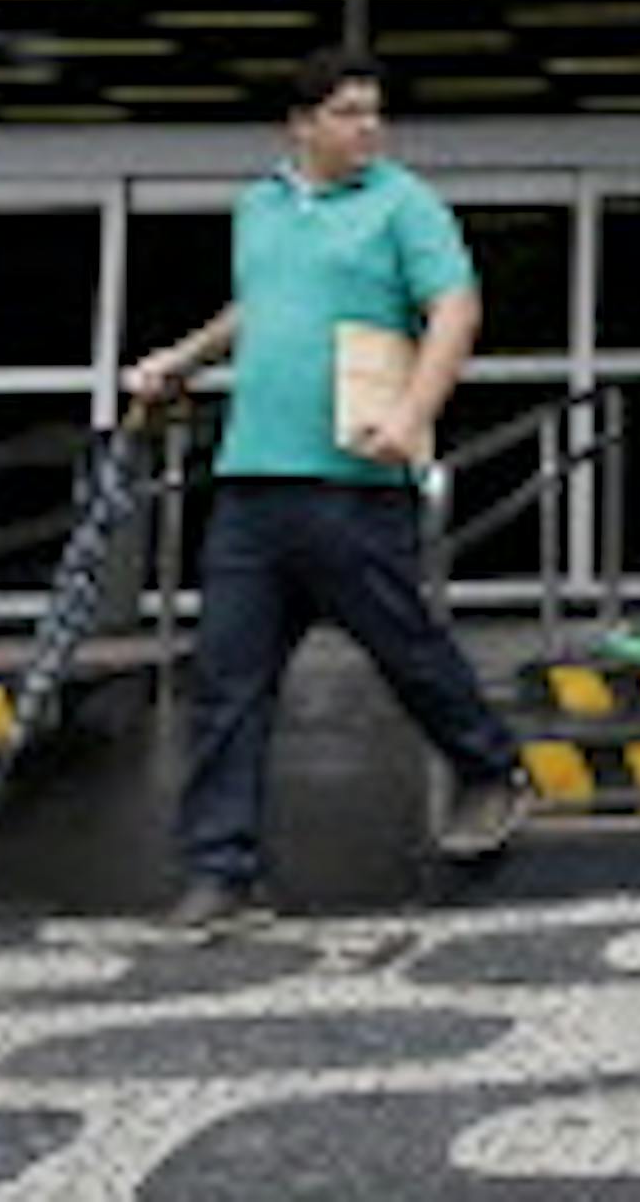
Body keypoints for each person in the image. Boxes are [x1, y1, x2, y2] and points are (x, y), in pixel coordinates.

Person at [127, 46, 527, 934]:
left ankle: (489, 768)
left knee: (404, 646)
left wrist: (415, 413)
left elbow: (455, 307)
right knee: (227, 679)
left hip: (353, 477)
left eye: (374, 111)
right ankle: (220, 870)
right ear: (300, 124)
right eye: (347, 112)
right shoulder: (259, 206)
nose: (367, 128)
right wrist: (181, 360)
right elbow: (257, 306)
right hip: (252, 477)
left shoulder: (402, 203)